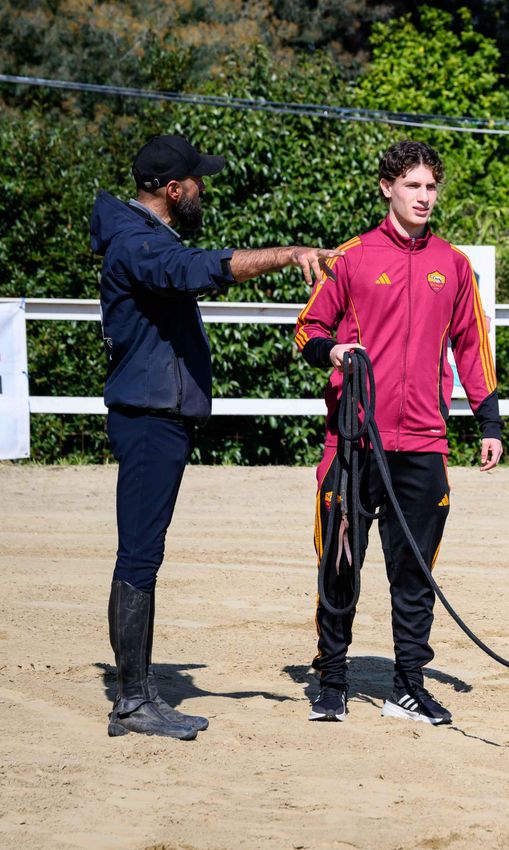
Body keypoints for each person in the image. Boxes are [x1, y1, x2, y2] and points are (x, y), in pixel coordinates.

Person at [92, 133, 342, 741]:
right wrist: (285, 255)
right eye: (196, 180)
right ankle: (131, 703)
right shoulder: (138, 245)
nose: (204, 187)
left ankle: (139, 689)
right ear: (174, 190)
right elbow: (193, 269)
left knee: (143, 552)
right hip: (150, 418)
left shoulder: (143, 238)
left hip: (158, 414)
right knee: (140, 555)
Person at [294, 140, 502, 725]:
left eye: (431, 187)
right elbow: (307, 327)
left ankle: (407, 685)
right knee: (340, 564)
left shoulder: (454, 265)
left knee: (415, 575)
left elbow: (472, 345)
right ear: (387, 188)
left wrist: (489, 420)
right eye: (414, 186)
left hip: (424, 445)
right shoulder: (352, 258)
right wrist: (333, 350)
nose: (425, 197)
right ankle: (331, 681)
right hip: (354, 443)